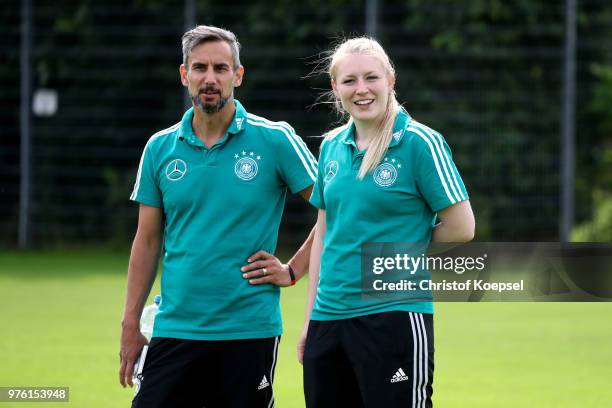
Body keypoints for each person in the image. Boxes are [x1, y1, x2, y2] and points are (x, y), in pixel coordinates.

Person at [118, 25, 317, 408]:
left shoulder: (275, 139)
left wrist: (293, 269)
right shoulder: (160, 148)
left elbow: (333, 208)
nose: (210, 78)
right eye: (200, 68)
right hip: (174, 328)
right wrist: (130, 323)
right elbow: (146, 240)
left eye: (221, 69)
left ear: (238, 76)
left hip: (249, 329)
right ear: (184, 75)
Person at [299, 37, 475, 408]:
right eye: (349, 81)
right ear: (335, 87)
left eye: (371, 77)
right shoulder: (330, 145)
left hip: (392, 316)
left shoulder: (419, 143)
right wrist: (311, 320)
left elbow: (461, 226)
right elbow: (323, 236)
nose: (361, 89)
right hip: (328, 322)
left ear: (390, 80)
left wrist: (399, 252)